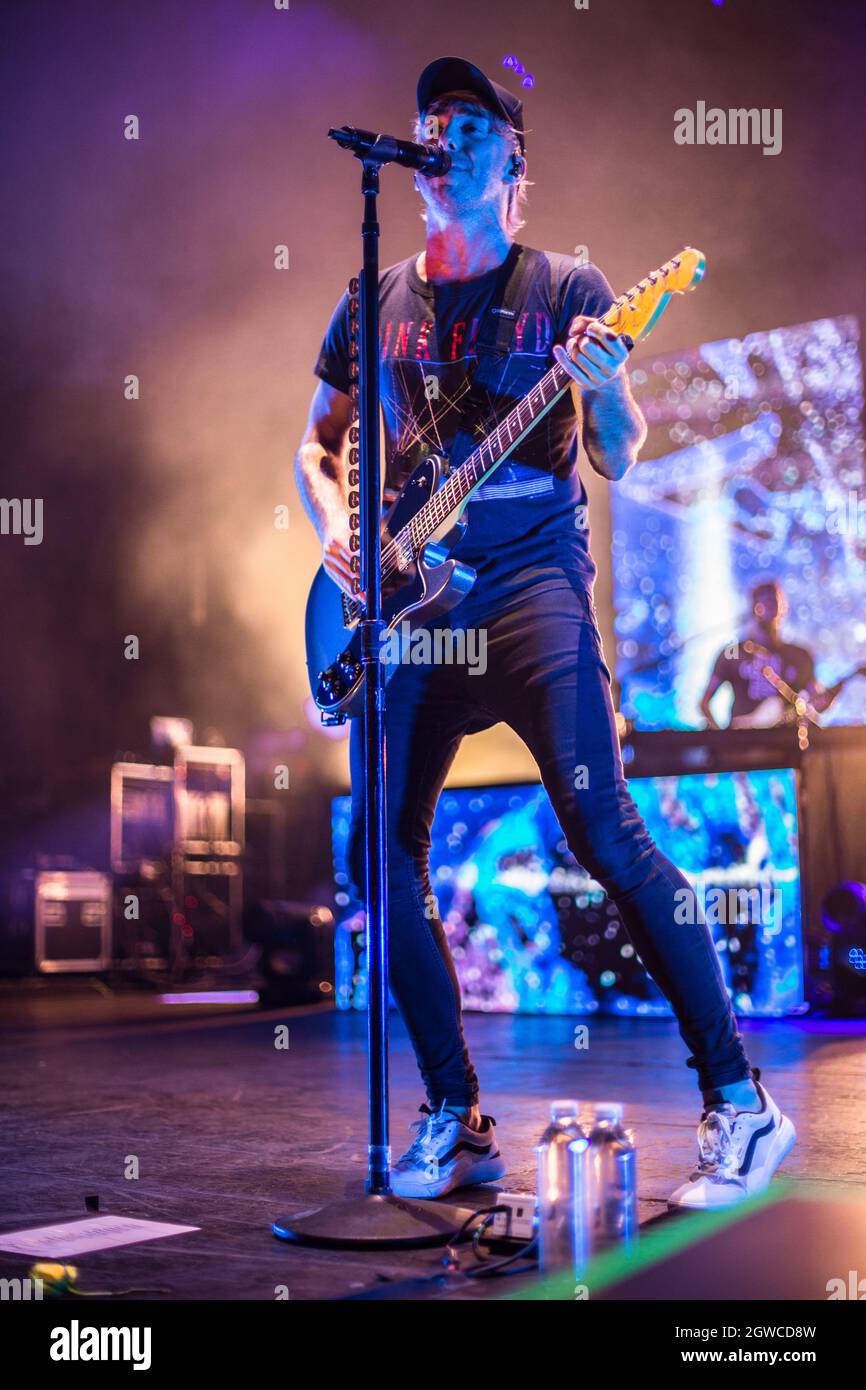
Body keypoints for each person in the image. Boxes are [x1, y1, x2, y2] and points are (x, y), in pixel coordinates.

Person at [295, 56, 796, 1209]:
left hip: (529, 588)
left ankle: (738, 1103)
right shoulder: (371, 301)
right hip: (410, 600)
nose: (439, 136)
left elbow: (615, 453)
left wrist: (607, 385)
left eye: (466, 123)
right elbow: (314, 445)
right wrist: (339, 526)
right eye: (429, 123)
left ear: (512, 161)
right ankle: (453, 1114)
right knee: (385, 852)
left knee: (602, 827)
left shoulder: (568, 288)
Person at [700, 579, 853, 729]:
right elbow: (705, 702)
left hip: (786, 744)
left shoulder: (800, 655)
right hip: (741, 744)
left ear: (783, 608)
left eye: (775, 602)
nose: (771, 607)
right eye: (765, 601)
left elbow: (817, 701)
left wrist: (834, 692)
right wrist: (720, 740)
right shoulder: (732, 653)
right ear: (753, 607)